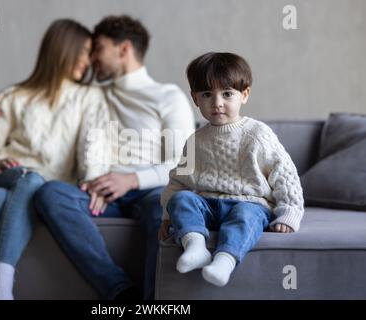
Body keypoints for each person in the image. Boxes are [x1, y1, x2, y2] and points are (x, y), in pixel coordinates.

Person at [0, 19, 109, 300]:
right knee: (27, 177)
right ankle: (0, 288)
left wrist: (93, 182)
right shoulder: (14, 96)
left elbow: (92, 145)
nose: (89, 61)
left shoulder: (90, 98)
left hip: (34, 192)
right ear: (63, 49)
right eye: (85, 51)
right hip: (0, 176)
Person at [34, 15, 196, 300]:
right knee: (51, 193)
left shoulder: (167, 96)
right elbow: (47, 103)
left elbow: (184, 164)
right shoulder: (92, 95)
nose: (91, 57)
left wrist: (131, 180)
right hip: (102, 192)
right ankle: (120, 293)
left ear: (123, 49)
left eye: (98, 48)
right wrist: (3, 108)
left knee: (168, 206)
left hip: (150, 190)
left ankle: (154, 303)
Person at [159, 52, 304, 287]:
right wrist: (167, 214)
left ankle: (224, 261)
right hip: (207, 205)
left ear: (244, 94)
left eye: (227, 94)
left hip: (249, 203)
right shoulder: (196, 140)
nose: (217, 102)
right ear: (195, 98)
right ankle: (195, 246)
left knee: (245, 216)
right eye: (207, 94)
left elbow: (284, 172)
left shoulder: (257, 133)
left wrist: (289, 212)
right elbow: (179, 181)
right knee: (182, 198)